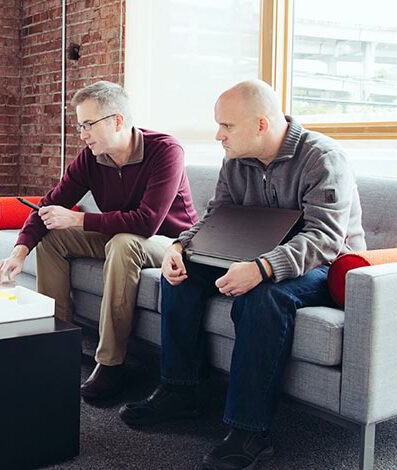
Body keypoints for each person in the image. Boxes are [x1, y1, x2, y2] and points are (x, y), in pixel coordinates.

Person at [119, 79, 365, 469]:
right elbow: (216, 216)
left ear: (261, 125)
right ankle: (182, 391)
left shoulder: (322, 158)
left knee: (263, 296)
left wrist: (263, 268)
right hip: (251, 253)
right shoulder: (236, 160)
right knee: (179, 275)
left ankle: (250, 431)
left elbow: (325, 239)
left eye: (227, 126)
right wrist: (180, 247)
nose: (218, 135)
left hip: (322, 265)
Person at [0, 80, 198, 400]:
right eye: (80, 126)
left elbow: (147, 221)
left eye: (88, 124)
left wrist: (78, 219)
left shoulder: (166, 150)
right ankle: (57, 341)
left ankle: (111, 364)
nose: (82, 134)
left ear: (117, 121)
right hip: (120, 235)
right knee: (55, 237)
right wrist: (19, 251)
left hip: (172, 243)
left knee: (123, 243)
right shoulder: (91, 158)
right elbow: (48, 206)